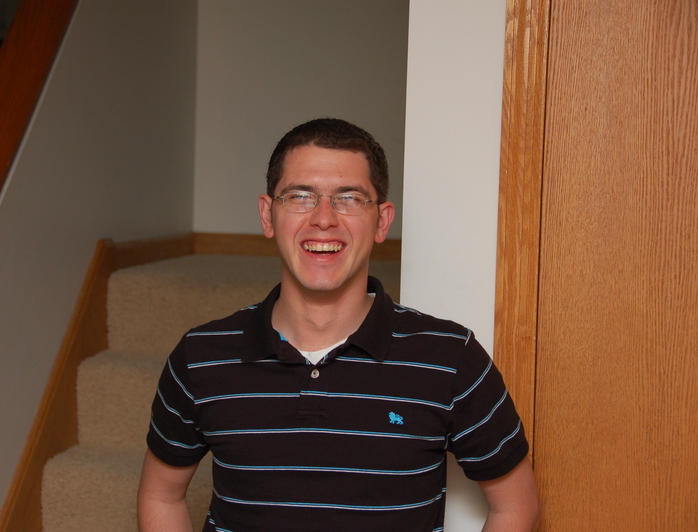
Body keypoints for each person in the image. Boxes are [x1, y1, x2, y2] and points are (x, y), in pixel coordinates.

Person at [137, 118, 540, 531]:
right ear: (268, 215)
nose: (324, 218)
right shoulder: (201, 356)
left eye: (349, 198)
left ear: (382, 221)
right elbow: (160, 495)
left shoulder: (450, 358)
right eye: (300, 196)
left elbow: (515, 505)